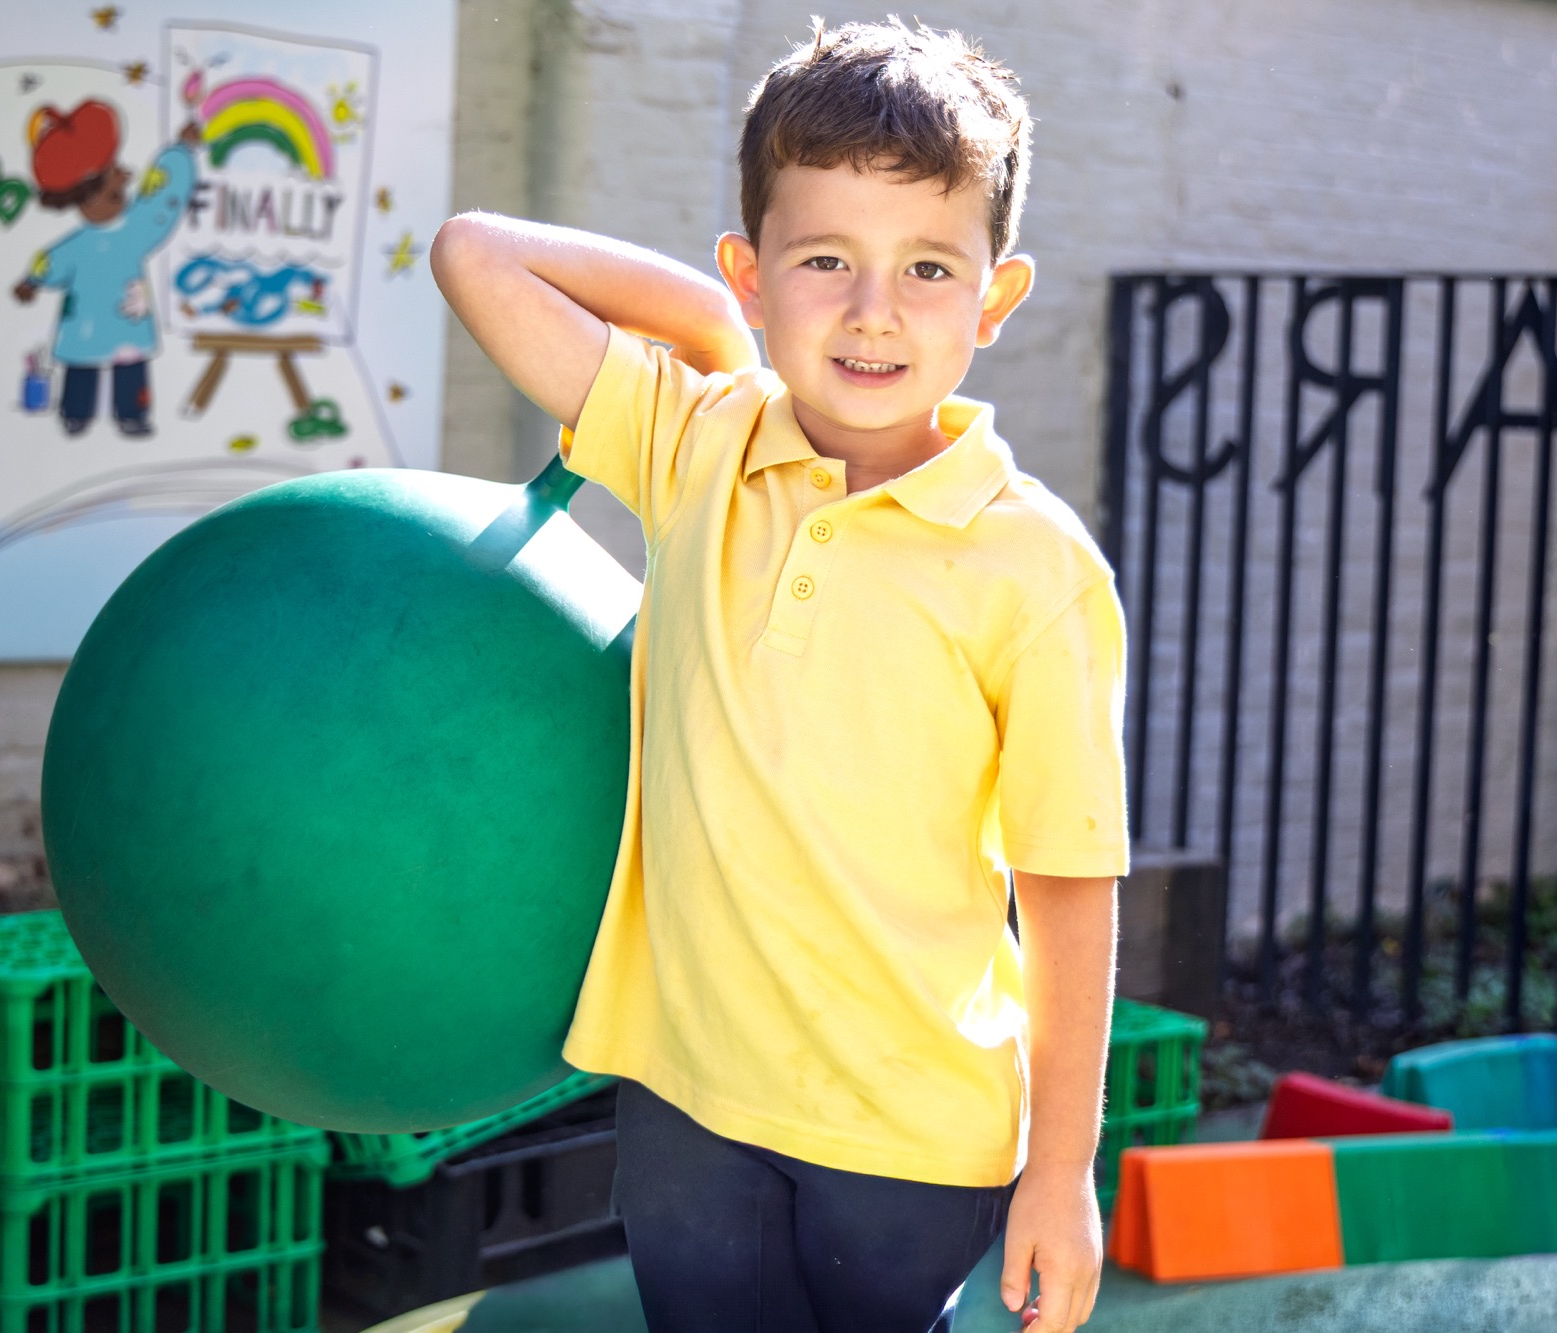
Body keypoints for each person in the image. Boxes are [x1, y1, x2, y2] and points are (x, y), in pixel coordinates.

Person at [432, 19, 1126, 1333]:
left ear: (993, 298)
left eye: (928, 267)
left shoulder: (1036, 570)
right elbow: (477, 255)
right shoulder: (696, 442)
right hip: (687, 1096)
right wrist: (710, 325)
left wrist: (1061, 1168)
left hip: (910, 1133)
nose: (872, 312)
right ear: (751, 274)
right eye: (824, 260)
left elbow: (1067, 886)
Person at [13, 100, 198, 437]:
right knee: (81, 368)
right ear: (80, 201)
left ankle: (132, 414)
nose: (119, 196)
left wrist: (180, 151)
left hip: (125, 322)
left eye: (118, 192)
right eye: (110, 194)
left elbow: (161, 198)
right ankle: (76, 413)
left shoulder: (134, 228)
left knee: (130, 369)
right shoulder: (80, 244)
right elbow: (52, 261)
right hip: (85, 324)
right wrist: (33, 280)